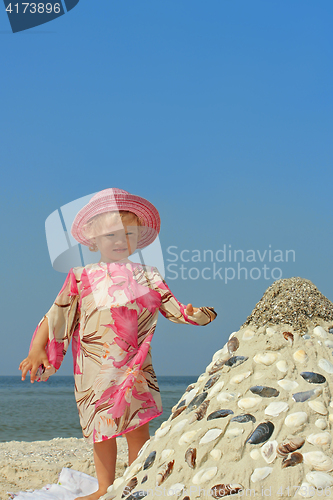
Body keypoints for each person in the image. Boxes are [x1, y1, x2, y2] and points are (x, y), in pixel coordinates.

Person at [19, 188, 217, 500]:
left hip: (134, 365)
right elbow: (56, 314)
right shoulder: (81, 276)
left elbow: (173, 309)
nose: (120, 240)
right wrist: (36, 350)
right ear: (93, 238)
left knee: (137, 427)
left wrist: (194, 314)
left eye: (129, 233)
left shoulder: (147, 276)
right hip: (94, 371)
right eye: (111, 234)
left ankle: (137, 481)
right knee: (101, 430)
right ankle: (104, 487)